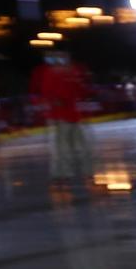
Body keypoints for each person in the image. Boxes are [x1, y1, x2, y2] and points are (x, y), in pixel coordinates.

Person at [29, 52, 93, 193]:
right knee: (60, 147)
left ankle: (86, 171)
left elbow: (81, 90)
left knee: (80, 145)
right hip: (58, 116)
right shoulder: (49, 73)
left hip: (73, 116)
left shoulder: (72, 72)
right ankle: (62, 174)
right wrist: (53, 102)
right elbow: (45, 92)